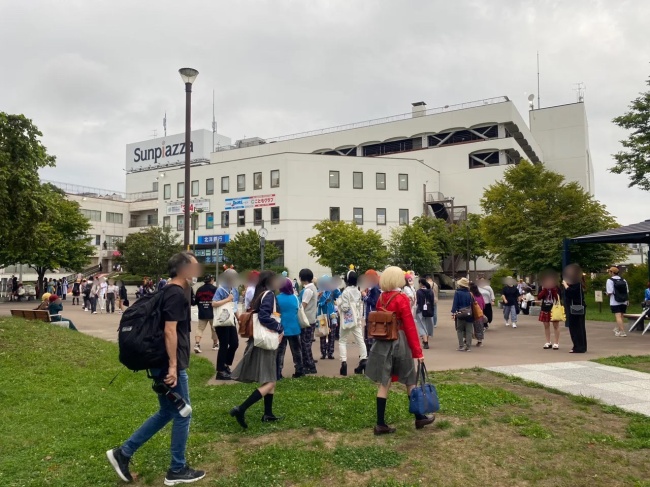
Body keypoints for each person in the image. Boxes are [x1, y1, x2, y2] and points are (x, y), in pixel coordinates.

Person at [106, 252, 205, 485]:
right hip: (168, 363)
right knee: (183, 412)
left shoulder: (167, 289)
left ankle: (124, 453)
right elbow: (170, 331)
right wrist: (173, 366)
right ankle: (177, 469)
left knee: (168, 412)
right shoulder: (175, 293)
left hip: (160, 361)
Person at [365, 266, 434, 435]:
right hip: (400, 341)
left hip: (383, 342)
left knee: (384, 382)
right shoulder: (401, 298)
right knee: (410, 379)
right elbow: (410, 326)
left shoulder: (381, 297)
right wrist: (418, 352)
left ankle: (380, 423)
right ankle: (419, 416)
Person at [230, 271, 283, 428]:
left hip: (259, 339)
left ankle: (268, 413)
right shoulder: (269, 295)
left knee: (270, 378)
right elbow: (264, 317)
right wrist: (279, 327)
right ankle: (241, 408)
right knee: (270, 382)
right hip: (266, 341)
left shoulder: (259, 294)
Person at [212, 269, 240, 380]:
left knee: (234, 343)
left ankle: (226, 365)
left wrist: (238, 318)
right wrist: (227, 299)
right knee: (224, 344)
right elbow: (214, 303)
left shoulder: (235, 290)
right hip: (222, 320)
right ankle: (220, 371)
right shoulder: (221, 289)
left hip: (231, 320)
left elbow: (235, 306)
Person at [338, 270, 368, 376]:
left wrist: (339, 304)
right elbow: (359, 305)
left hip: (347, 320)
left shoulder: (346, 291)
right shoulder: (358, 291)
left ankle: (344, 363)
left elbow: (345, 307)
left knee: (342, 341)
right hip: (356, 320)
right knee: (360, 340)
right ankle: (364, 360)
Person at [276, 278, 305, 379]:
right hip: (294, 327)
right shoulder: (295, 298)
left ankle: (278, 372)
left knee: (280, 352)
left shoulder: (277, 298)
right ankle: (299, 370)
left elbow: (275, 313)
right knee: (297, 351)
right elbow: (298, 309)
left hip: (281, 329)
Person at [562, 264, 587, 353]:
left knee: (575, 327)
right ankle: (581, 346)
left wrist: (566, 285)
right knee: (580, 327)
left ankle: (578, 347)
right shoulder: (578, 282)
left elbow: (571, 293)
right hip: (578, 306)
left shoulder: (576, 283)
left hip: (575, 307)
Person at [299, 268, 318, 375]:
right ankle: (308, 364)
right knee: (307, 343)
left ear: (302, 278)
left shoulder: (308, 290)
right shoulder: (313, 288)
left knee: (305, 343)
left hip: (306, 320)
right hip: (311, 319)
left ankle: (310, 366)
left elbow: (303, 306)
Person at [194, 275, 219, 354]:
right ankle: (215, 344)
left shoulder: (199, 289)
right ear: (211, 280)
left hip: (202, 312)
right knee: (214, 329)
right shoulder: (215, 289)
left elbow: (196, 301)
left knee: (200, 329)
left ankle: (197, 344)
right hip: (212, 312)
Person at [317, 275, 341, 360]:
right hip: (322, 315)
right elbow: (317, 303)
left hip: (332, 315)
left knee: (332, 334)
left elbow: (339, 296)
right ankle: (323, 353)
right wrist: (322, 301)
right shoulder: (319, 291)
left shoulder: (333, 291)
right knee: (323, 333)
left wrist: (336, 287)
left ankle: (330, 352)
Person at [538, 274, 561, 350]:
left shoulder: (556, 288)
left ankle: (556, 342)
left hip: (554, 308)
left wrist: (553, 290)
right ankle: (548, 342)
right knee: (546, 325)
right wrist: (544, 290)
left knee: (555, 325)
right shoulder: (542, 287)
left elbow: (558, 297)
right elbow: (539, 297)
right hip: (545, 307)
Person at [451, 278, 475, 351]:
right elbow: (473, 303)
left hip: (460, 313)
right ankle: (468, 346)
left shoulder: (457, 293)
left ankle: (461, 345)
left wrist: (453, 312)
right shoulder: (470, 293)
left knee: (460, 330)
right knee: (469, 331)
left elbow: (455, 304)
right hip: (469, 314)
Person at [606, 266, 629, 337]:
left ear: (612, 272)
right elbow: (627, 290)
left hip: (614, 301)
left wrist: (606, 294)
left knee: (618, 316)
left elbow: (610, 292)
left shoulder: (610, 280)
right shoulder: (624, 280)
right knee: (621, 315)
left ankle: (622, 331)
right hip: (624, 300)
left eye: (610, 271)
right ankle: (619, 330)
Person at [362, 269, 382, 348]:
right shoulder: (370, 288)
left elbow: (375, 302)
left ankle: (370, 350)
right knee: (368, 332)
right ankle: (367, 349)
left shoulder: (375, 289)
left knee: (371, 333)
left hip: (372, 313)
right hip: (368, 313)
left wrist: (365, 296)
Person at [415, 278, 435, 349]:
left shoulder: (419, 292)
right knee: (428, 326)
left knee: (422, 326)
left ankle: (425, 342)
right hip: (429, 310)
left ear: (420, 283)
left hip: (420, 310)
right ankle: (426, 340)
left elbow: (418, 301)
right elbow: (433, 301)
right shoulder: (431, 291)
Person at [469, 283, 485, 347]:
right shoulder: (480, 295)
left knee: (470, 327)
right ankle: (479, 341)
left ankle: (467, 339)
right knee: (479, 328)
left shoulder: (471, 295)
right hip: (479, 314)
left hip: (472, 314)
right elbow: (484, 304)